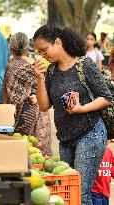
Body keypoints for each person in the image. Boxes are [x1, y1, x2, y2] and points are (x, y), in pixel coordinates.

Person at [33, 25, 113, 205]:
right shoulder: (51, 71)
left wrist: (81, 109)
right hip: (66, 139)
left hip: (90, 134)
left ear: (58, 42)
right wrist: (39, 78)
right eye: (39, 52)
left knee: (81, 193)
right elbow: (44, 106)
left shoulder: (84, 65)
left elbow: (107, 97)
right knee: (68, 191)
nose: (43, 55)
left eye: (44, 50)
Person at [1, 32, 52, 156]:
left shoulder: (12, 67)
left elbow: (8, 96)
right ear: (27, 47)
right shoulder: (39, 65)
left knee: (21, 150)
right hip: (39, 108)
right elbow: (48, 87)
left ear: (11, 47)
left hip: (20, 115)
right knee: (37, 151)